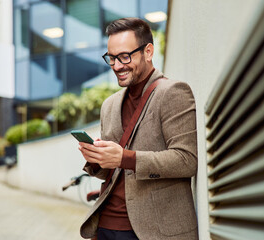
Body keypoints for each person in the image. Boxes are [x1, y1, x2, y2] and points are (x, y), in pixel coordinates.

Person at [78, 17, 198, 240]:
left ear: (148, 51)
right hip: (105, 225)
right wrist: (96, 159)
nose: (117, 66)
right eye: (111, 58)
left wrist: (125, 157)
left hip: (153, 231)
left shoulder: (173, 92)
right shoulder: (109, 105)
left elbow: (187, 160)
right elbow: (113, 172)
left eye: (124, 56)